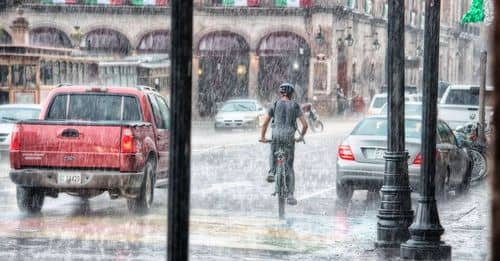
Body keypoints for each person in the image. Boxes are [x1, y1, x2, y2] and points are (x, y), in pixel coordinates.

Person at [259, 83, 308, 205]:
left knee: (273, 152)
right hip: (289, 137)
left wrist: (262, 137)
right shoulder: (295, 106)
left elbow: (265, 123)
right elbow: (305, 125)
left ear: (281, 93)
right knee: (290, 167)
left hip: (276, 135)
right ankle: (290, 195)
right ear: (292, 94)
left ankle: (271, 172)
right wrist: (300, 136)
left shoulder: (275, 105)